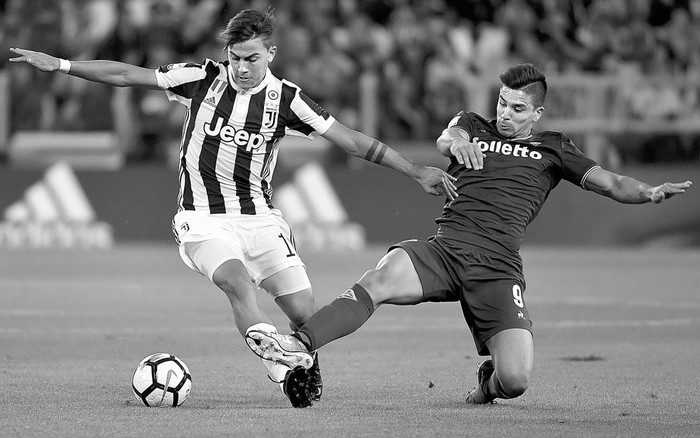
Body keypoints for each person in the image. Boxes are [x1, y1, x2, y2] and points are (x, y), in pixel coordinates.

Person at [8, 9, 457, 408]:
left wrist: (417, 171)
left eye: (252, 58)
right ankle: (281, 367)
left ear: (271, 54)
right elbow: (128, 75)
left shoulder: (288, 100)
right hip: (201, 217)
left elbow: (354, 142)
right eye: (235, 57)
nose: (241, 68)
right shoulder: (199, 77)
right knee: (236, 282)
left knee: (304, 311)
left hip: (260, 218)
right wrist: (62, 65)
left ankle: (301, 358)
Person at [243, 63, 693, 406]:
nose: (506, 114)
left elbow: (611, 183)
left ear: (537, 112)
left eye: (518, 108)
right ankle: (297, 346)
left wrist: (649, 192)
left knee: (515, 381)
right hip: (445, 250)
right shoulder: (472, 126)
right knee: (378, 279)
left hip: (498, 269)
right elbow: (448, 137)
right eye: (502, 102)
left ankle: (487, 381)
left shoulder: (554, 149)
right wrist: (454, 142)